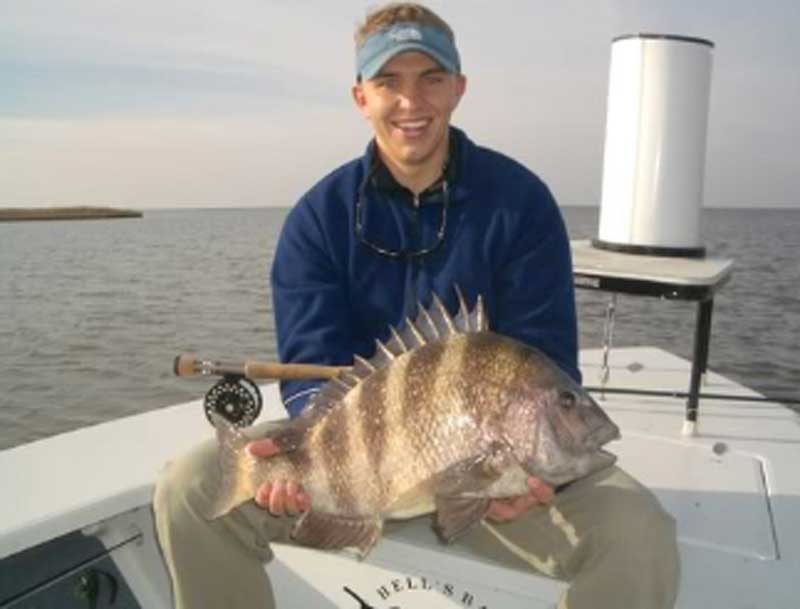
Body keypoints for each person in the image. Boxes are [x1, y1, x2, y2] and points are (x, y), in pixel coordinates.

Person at [153, 3, 680, 608]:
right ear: (361, 96)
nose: (411, 101)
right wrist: (298, 457)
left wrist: (521, 478)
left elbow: (545, 360)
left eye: (430, 78)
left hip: (492, 474)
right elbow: (311, 372)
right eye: (388, 82)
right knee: (190, 491)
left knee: (641, 536)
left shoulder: (521, 204)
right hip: (350, 465)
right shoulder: (316, 220)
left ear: (458, 88)